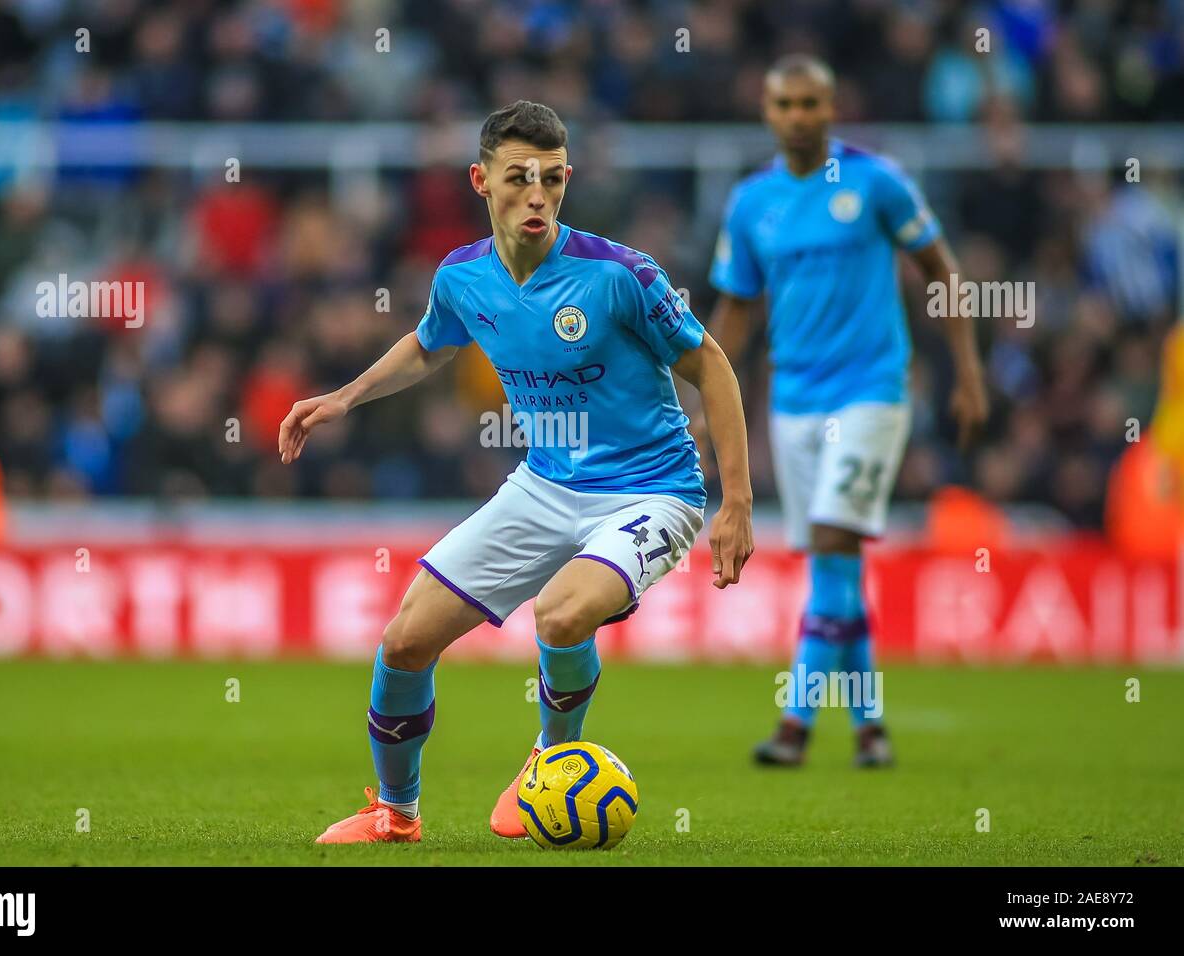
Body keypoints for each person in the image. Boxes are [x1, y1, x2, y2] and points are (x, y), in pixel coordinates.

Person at [279, 100, 755, 842]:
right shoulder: (463, 277)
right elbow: (431, 344)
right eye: (519, 178)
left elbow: (713, 366)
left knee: (562, 613)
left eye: (553, 179)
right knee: (405, 640)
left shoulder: (620, 275)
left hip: (653, 490)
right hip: (544, 485)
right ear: (481, 180)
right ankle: (396, 814)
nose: (538, 195)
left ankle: (550, 756)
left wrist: (736, 503)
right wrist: (346, 397)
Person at [708, 56, 988, 768]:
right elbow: (735, 311)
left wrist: (967, 368)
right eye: (785, 104)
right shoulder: (751, 203)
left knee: (833, 541)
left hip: (872, 392)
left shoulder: (876, 180)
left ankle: (794, 725)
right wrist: (702, 400)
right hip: (793, 400)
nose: (799, 116)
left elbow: (941, 270)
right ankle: (870, 727)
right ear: (767, 113)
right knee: (834, 566)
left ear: (832, 108)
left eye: (811, 103)